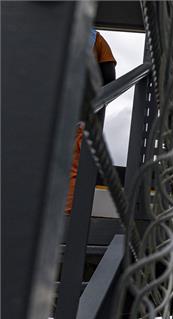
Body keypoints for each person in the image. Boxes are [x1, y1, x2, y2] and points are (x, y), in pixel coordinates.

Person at [65, 29, 117, 214]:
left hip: (41, 111)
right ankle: (66, 216)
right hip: (78, 111)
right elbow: (109, 77)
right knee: (72, 167)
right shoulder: (95, 38)